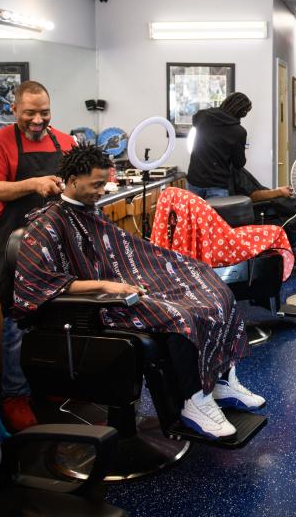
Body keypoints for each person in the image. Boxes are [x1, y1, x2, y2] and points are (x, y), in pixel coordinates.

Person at [13, 145, 264, 438]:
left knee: (211, 288)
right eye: (96, 185)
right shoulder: (48, 223)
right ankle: (195, 401)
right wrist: (105, 285)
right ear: (72, 180)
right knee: (181, 315)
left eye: (103, 184)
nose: (101, 191)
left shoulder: (88, 212)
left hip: (125, 284)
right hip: (97, 305)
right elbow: (35, 282)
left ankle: (220, 380)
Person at [0, 80, 76, 431]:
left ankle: (48, 384)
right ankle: (15, 394)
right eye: (29, 113)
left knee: (56, 316)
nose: (37, 120)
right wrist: (34, 183)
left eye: (44, 112)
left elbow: (75, 183)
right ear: (14, 109)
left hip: (57, 241)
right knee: (17, 321)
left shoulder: (65, 142)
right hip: (17, 245)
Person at [186, 92, 252, 199]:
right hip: (217, 185)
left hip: (194, 180)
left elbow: (195, 120)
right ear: (242, 113)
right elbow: (239, 163)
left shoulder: (203, 116)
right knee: (215, 216)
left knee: (194, 216)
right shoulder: (239, 132)